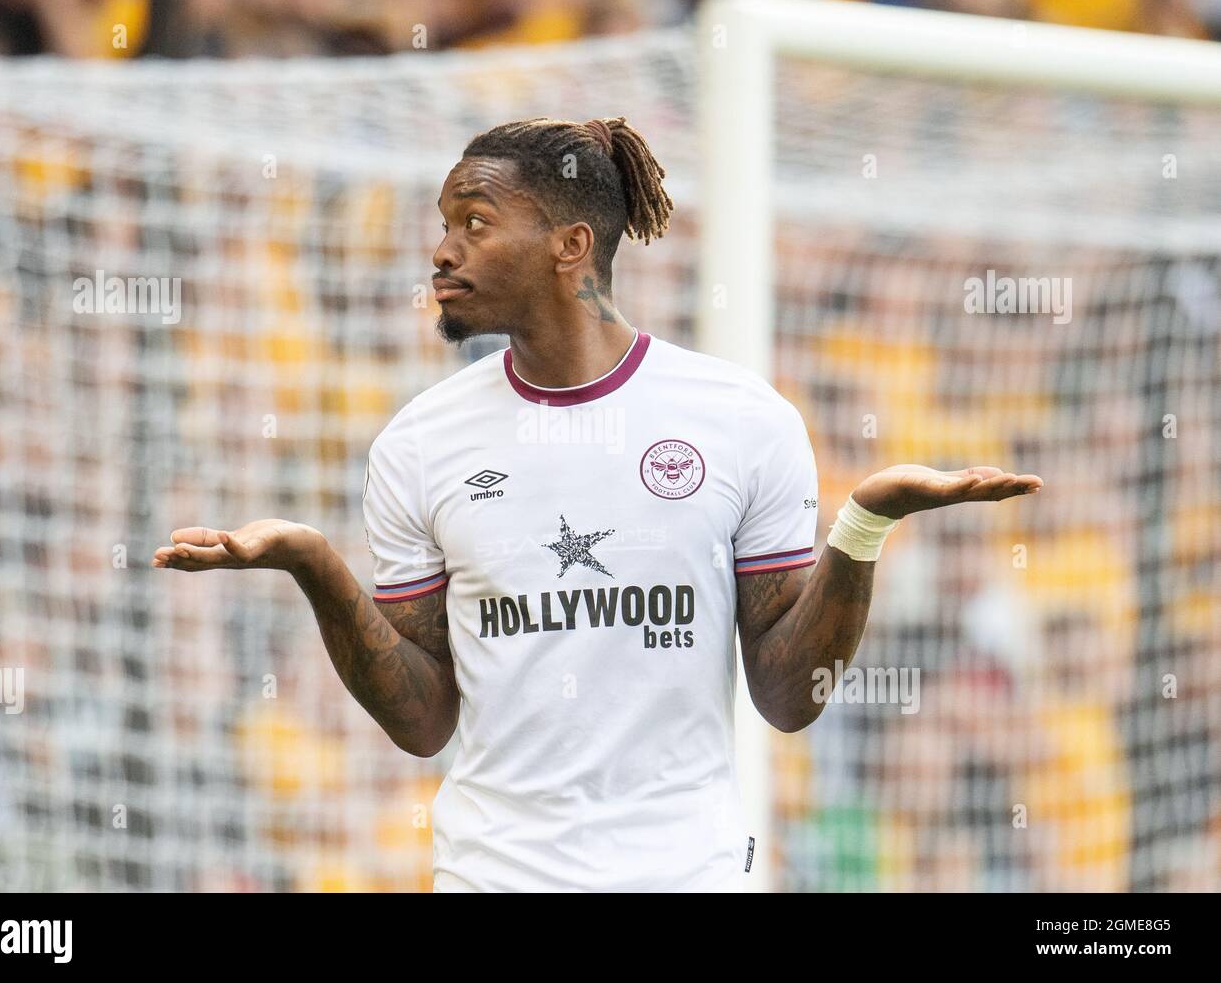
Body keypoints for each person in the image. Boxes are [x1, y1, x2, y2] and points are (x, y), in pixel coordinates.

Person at [152, 116, 1042, 892]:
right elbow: (423, 721)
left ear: (570, 245)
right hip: (492, 874)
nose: (442, 251)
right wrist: (314, 563)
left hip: (684, 872)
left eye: (474, 223)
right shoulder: (418, 445)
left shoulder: (742, 421)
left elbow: (787, 696)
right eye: (443, 225)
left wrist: (865, 523)